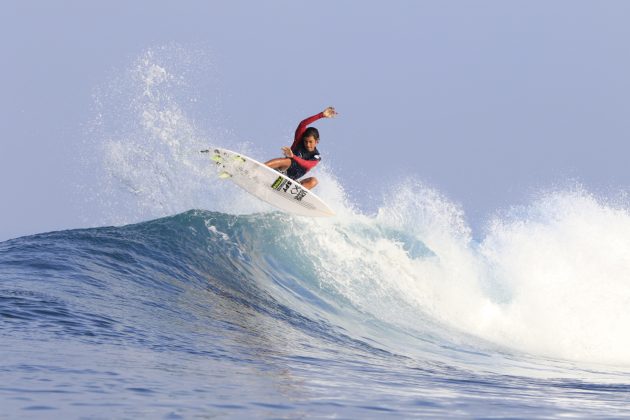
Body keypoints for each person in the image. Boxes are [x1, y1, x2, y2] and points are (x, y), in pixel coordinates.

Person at [265, 106, 337, 190]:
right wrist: (321, 115)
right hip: (281, 171)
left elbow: (307, 165)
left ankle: (292, 194)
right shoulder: (298, 142)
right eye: (306, 141)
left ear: (317, 142)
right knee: (288, 161)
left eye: (310, 142)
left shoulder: (316, 156)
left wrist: (293, 156)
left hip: (290, 182)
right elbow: (303, 124)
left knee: (314, 181)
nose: (307, 144)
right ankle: (257, 168)